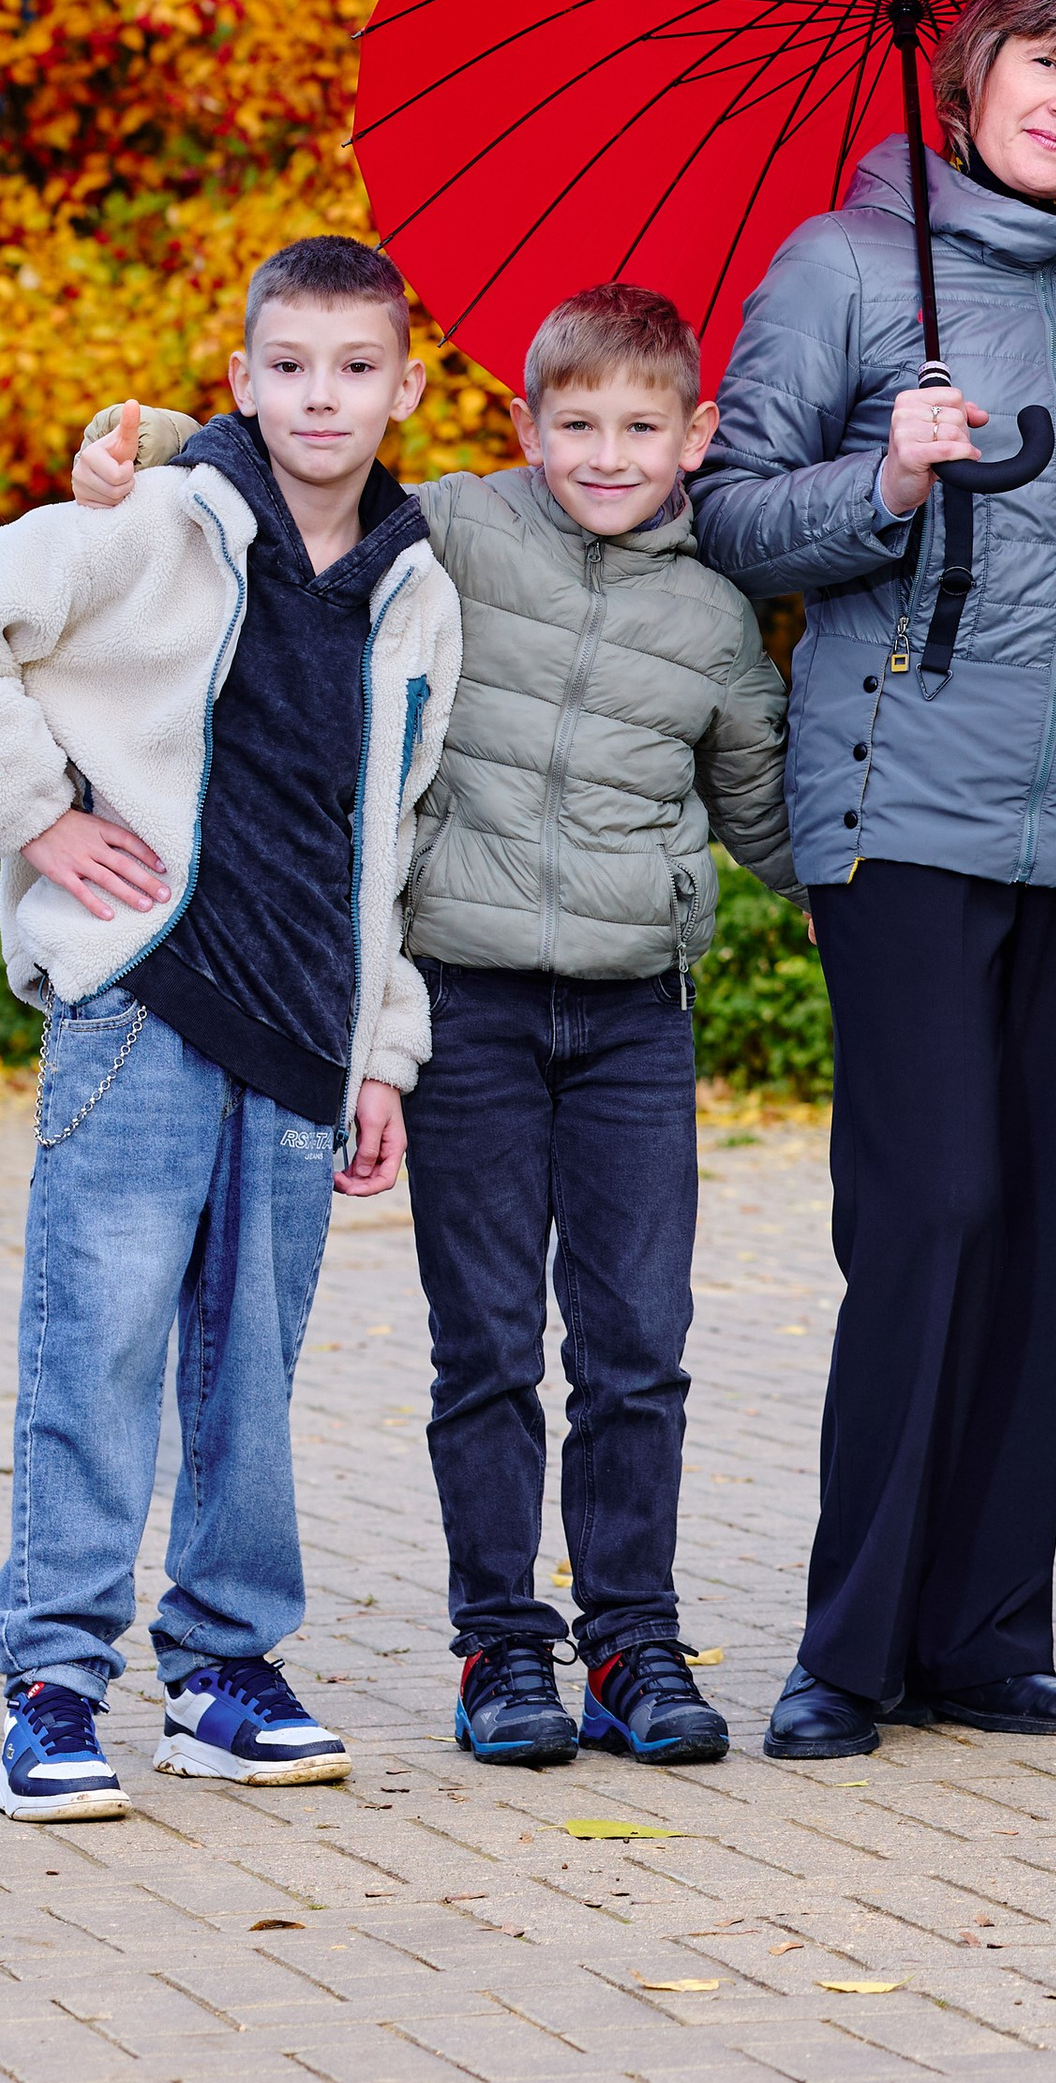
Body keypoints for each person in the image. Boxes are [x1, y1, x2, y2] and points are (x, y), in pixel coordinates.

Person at [69, 281, 796, 1773]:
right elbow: (299, 476)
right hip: (466, 1007)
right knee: (486, 1345)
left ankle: (633, 1640)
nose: (606, 456)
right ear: (524, 426)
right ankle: (499, 1645)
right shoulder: (453, 529)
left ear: (696, 436)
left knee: (637, 1346)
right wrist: (142, 455)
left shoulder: (721, 616)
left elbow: (772, 823)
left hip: (634, 1023)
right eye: (577, 425)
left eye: (641, 429)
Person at [692, 0, 1056, 1762]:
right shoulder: (843, 267)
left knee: (1046, 1236)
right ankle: (849, 1651)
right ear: (975, 68)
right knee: (930, 1214)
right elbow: (731, 519)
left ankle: (989, 1636)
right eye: (1047, 62)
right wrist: (888, 477)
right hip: (900, 802)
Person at [0, 237, 460, 1822]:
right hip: (142, 1004)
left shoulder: (419, 594)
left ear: (407, 388)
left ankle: (223, 1671)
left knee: (250, 1375)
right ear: (242, 379)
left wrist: (383, 1051)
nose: (321, 397)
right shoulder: (147, 527)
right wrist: (34, 815)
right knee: (101, 1343)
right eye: (291, 367)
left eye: (355, 368)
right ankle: (54, 1685)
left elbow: (398, 837)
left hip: (304, 1028)